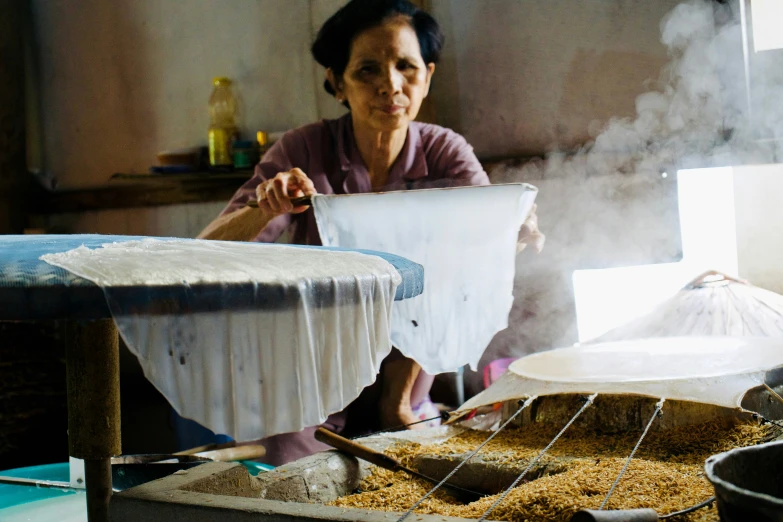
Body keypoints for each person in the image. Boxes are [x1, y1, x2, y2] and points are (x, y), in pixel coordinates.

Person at [199, 0, 544, 466]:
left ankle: (398, 404)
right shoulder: (304, 150)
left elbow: (480, 256)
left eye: (406, 66)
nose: (391, 86)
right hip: (312, 384)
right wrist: (266, 206)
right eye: (367, 71)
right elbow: (205, 253)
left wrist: (511, 231)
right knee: (292, 478)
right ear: (337, 84)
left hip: (409, 383)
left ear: (428, 75)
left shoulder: (445, 153)